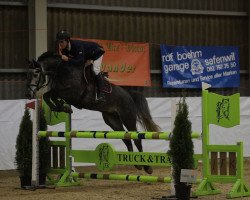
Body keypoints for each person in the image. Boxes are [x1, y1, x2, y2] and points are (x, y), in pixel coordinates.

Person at [56, 30, 107, 102]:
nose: (60, 44)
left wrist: (67, 59)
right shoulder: (64, 50)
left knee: (95, 70)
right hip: (86, 55)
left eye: (62, 42)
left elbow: (79, 62)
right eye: (59, 42)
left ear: (67, 41)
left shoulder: (77, 45)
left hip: (96, 52)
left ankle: (101, 95)